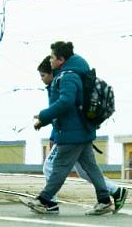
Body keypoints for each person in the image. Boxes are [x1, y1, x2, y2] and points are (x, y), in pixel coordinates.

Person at [27, 41, 114, 216]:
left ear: (61, 59)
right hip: (80, 130)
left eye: (52, 57)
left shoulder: (68, 76)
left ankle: (44, 201)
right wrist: (44, 120)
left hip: (72, 132)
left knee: (59, 167)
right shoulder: (71, 73)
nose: (50, 60)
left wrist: (44, 115)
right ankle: (104, 201)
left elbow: (66, 102)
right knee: (91, 168)